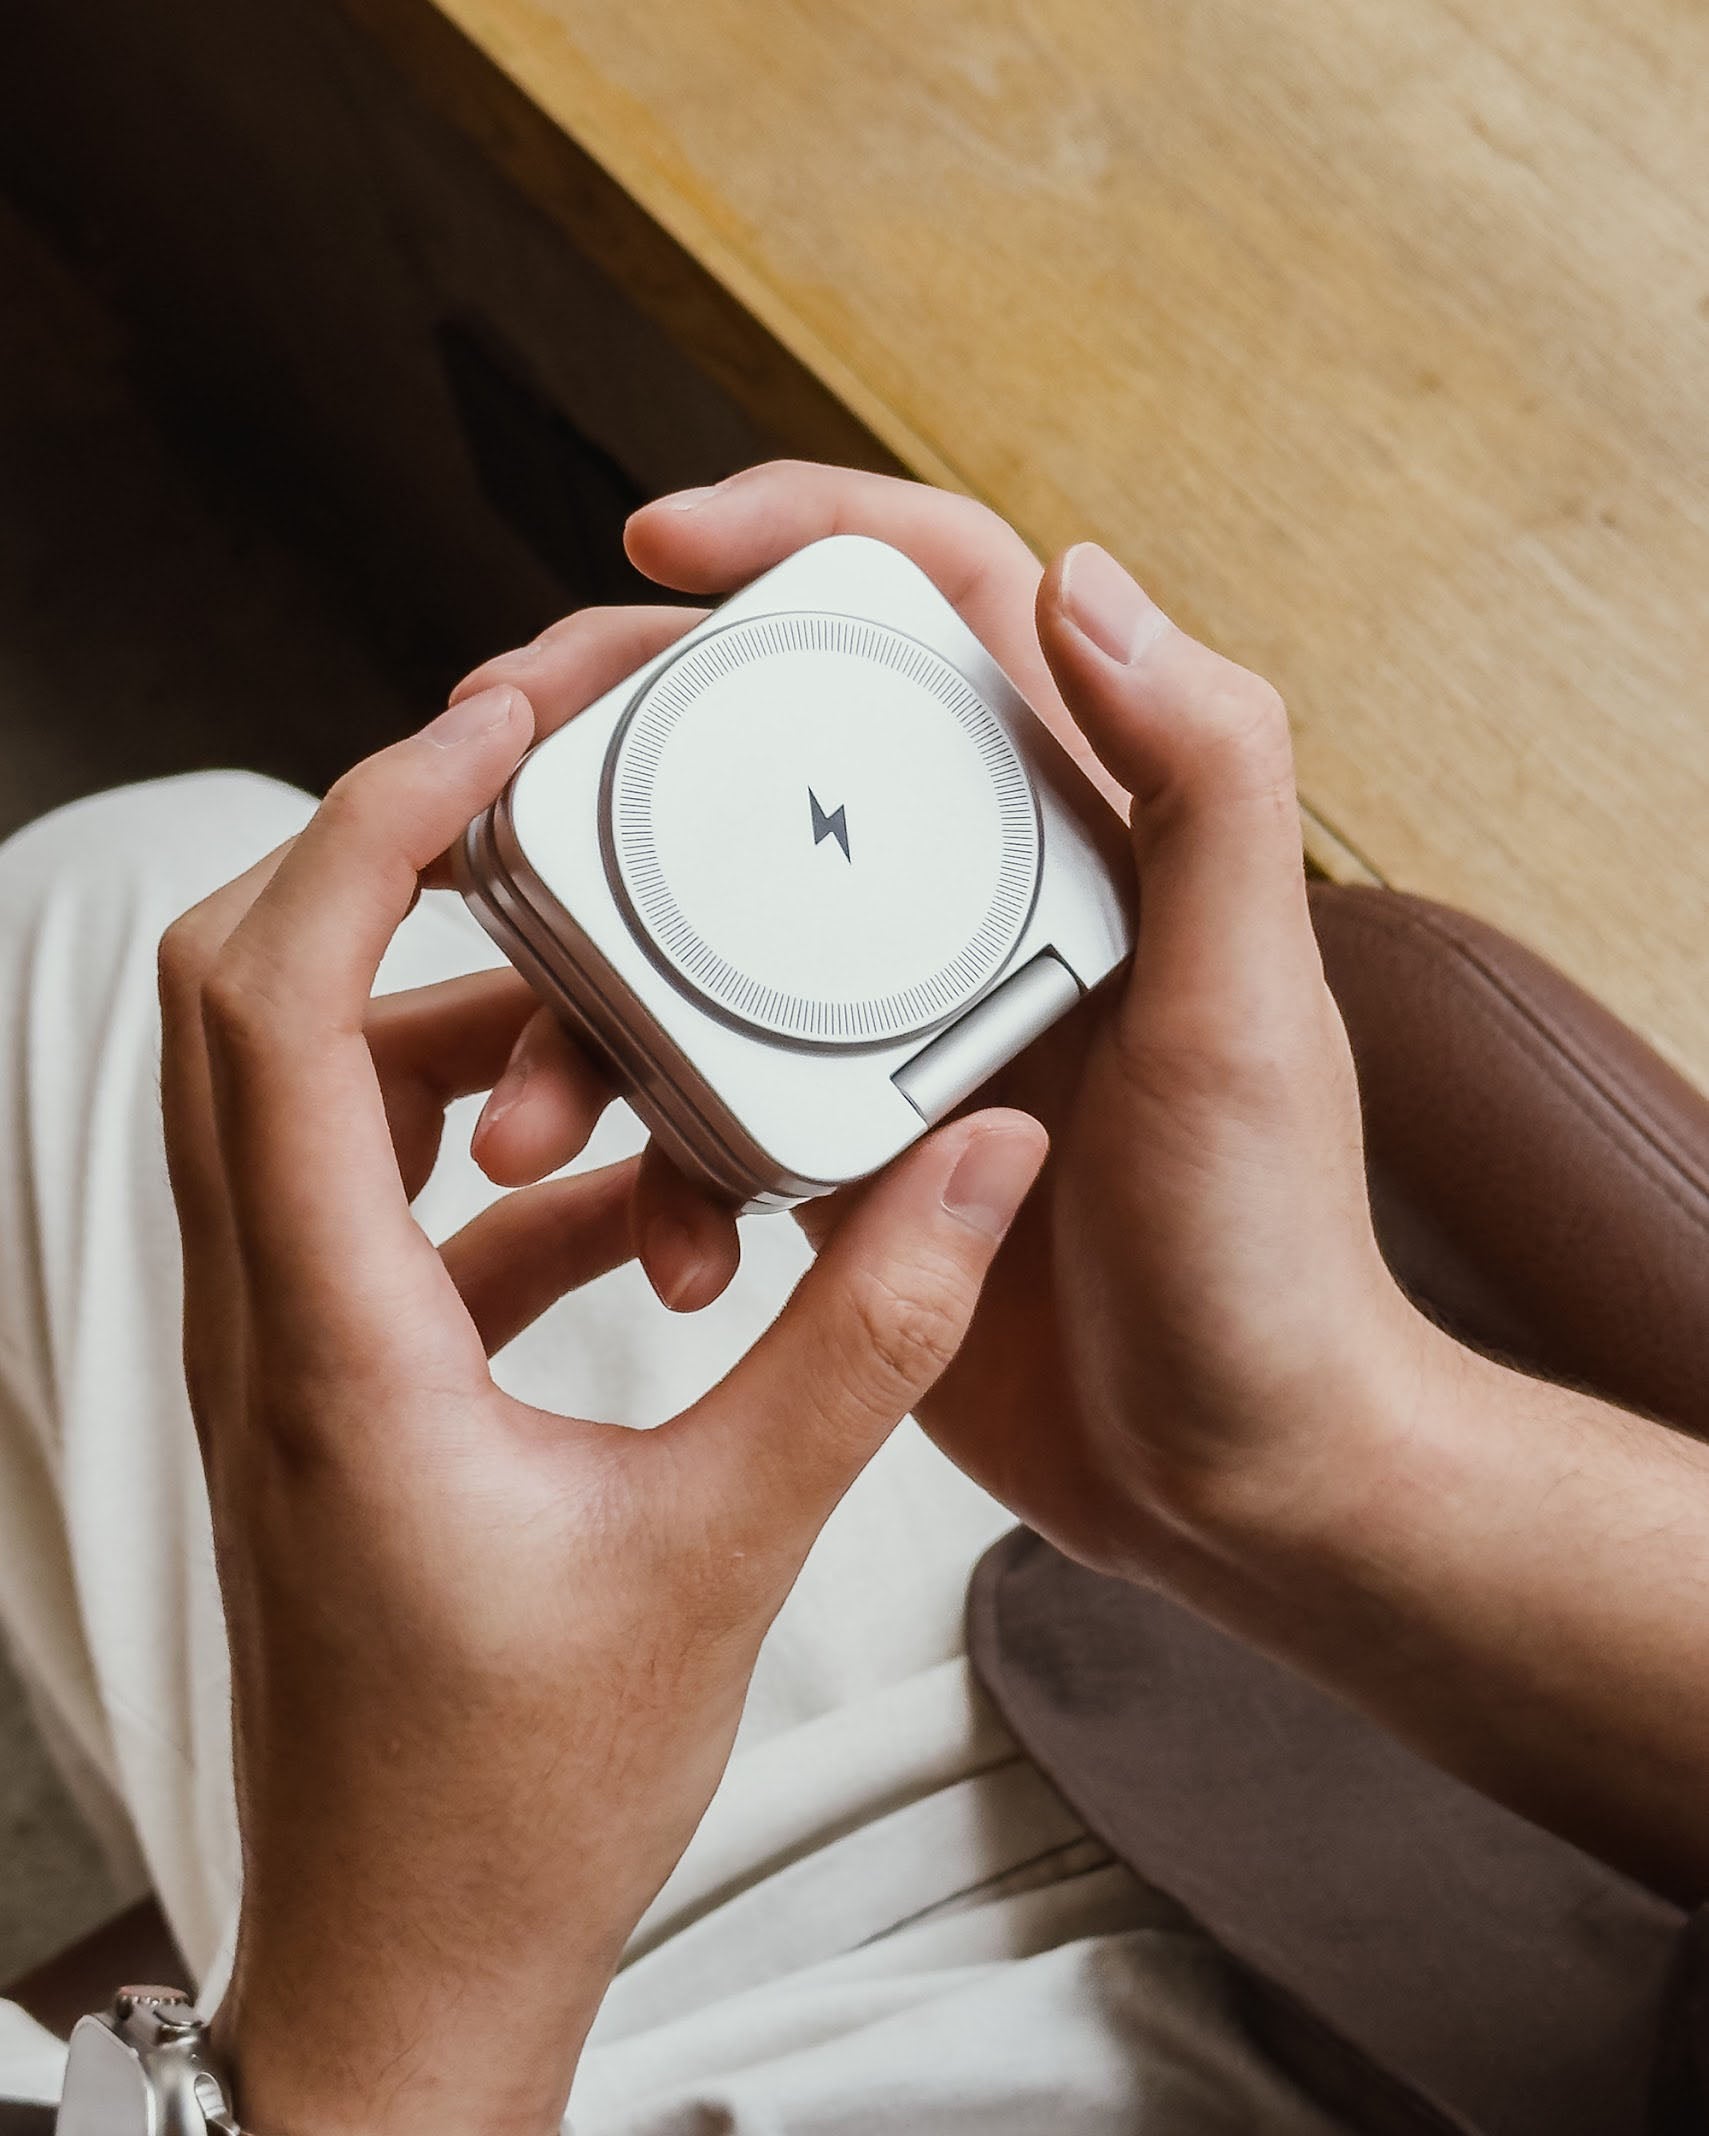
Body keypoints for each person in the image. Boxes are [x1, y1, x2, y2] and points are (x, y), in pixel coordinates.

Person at [1, 461, 1706, 2135]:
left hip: (520, 2044)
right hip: (1340, 1779)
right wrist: (1317, 1457)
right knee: (124, 905)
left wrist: (384, 2013)